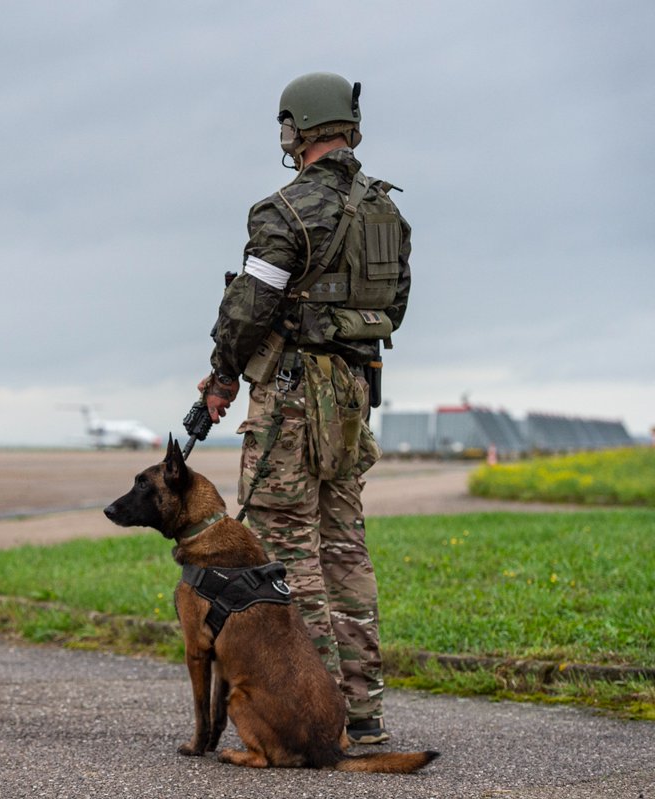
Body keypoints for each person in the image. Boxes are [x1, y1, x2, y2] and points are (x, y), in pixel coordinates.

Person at [197, 72, 411, 745]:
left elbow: (248, 311)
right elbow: (394, 306)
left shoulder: (283, 211)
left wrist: (221, 378)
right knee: (346, 547)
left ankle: (318, 716)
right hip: (352, 396)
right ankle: (365, 710)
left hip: (290, 398)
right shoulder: (387, 214)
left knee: (285, 553)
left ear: (298, 128)